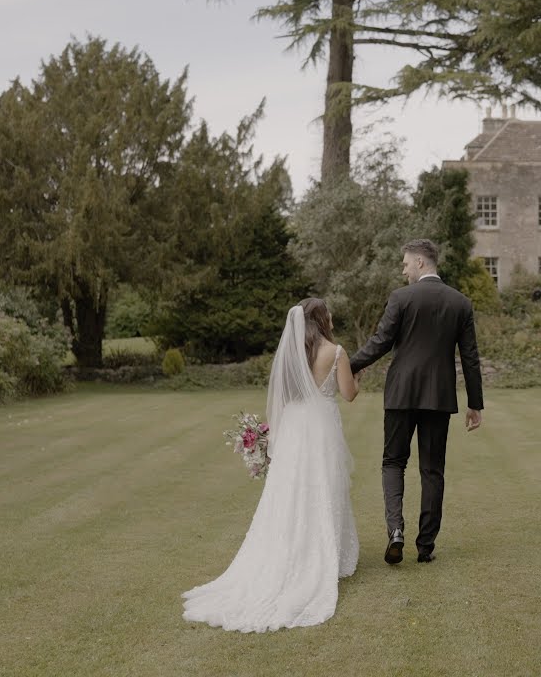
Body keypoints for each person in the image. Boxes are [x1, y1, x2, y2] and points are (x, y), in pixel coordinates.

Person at [183, 298, 360, 631]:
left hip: (295, 429)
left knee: (290, 490)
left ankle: (292, 547)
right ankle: (320, 553)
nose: (333, 317)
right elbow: (349, 394)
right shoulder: (335, 352)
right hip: (320, 428)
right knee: (324, 484)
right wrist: (356, 377)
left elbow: (282, 397)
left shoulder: (291, 353)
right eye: (329, 313)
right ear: (321, 319)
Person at [350, 239, 484, 565]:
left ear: (422, 263)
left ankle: (395, 531)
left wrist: (349, 366)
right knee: (432, 470)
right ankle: (425, 547)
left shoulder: (401, 298)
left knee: (393, 462)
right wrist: (475, 404)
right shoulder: (460, 303)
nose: (403, 269)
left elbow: (380, 342)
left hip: (400, 394)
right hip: (438, 397)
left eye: (406, 263)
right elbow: (470, 358)